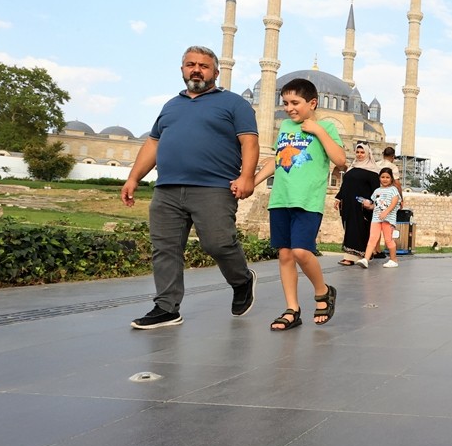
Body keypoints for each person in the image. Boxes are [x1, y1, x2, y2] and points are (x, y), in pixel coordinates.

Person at [121, 46, 259, 330]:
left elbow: (249, 141)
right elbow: (153, 143)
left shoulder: (234, 103)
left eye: (203, 66)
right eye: (190, 64)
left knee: (217, 243)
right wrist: (133, 177)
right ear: (182, 69)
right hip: (168, 189)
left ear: (216, 72)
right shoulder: (171, 105)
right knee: (165, 248)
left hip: (214, 187)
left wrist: (247, 177)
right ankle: (166, 307)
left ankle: (241, 279)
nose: (196, 70)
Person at [250, 78, 346, 329]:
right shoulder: (284, 128)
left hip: (307, 200)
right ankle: (292, 309)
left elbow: (340, 159)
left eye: (295, 102)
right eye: (285, 103)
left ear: (312, 102)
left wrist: (319, 131)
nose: (290, 108)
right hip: (281, 198)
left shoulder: (326, 126)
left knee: (302, 252)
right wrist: (253, 181)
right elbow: (277, 160)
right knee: (284, 254)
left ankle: (323, 291)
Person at [333, 142, 377, 266]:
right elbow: (345, 186)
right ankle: (364, 254)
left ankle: (350, 257)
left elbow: (376, 189)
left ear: (368, 153)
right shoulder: (352, 168)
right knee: (350, 228)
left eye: (362, 152)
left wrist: (371, 203)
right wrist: (338, 198)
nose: (360, 155)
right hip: (348, 204)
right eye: (357, 152)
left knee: (357, 229)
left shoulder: (373, 171)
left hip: (362, 206)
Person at [356, 167, 401, 268]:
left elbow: (394, 202)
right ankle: (366, 259)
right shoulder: (377, 191)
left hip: (388, 219)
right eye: (382, 177)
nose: (385, 179)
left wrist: (386, 212)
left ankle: (394, 259)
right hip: (376, 218)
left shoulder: (393, 190)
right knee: (372, 238)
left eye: (387, 177)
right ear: (379, 178)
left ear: (391, 179)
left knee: (388, 240)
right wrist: (368, 206)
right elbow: (374, 206)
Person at [369, 146, 403, 258]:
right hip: (388, 196)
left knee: (376, 224)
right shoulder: (393, 167)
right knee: (386, 226)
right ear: (393, 157)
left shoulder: (377, 164)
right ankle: (389, 255)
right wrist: (401, 198)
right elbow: (397, 183)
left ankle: (375, 249)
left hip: (377, 196)